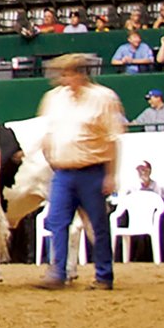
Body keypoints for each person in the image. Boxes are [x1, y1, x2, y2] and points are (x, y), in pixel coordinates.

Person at [35, 53, 126, 291]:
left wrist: (110, 175)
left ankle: (104, 275)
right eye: (62, 75)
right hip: (63, 172)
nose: (64, 81)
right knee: (56, 221)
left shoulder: (103, 98)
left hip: (92, 170)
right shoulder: (54, 99)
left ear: (81, 74)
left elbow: (112, 139)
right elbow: (48, 132)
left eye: (67, 74)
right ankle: (58, 272)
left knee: (97, 224)